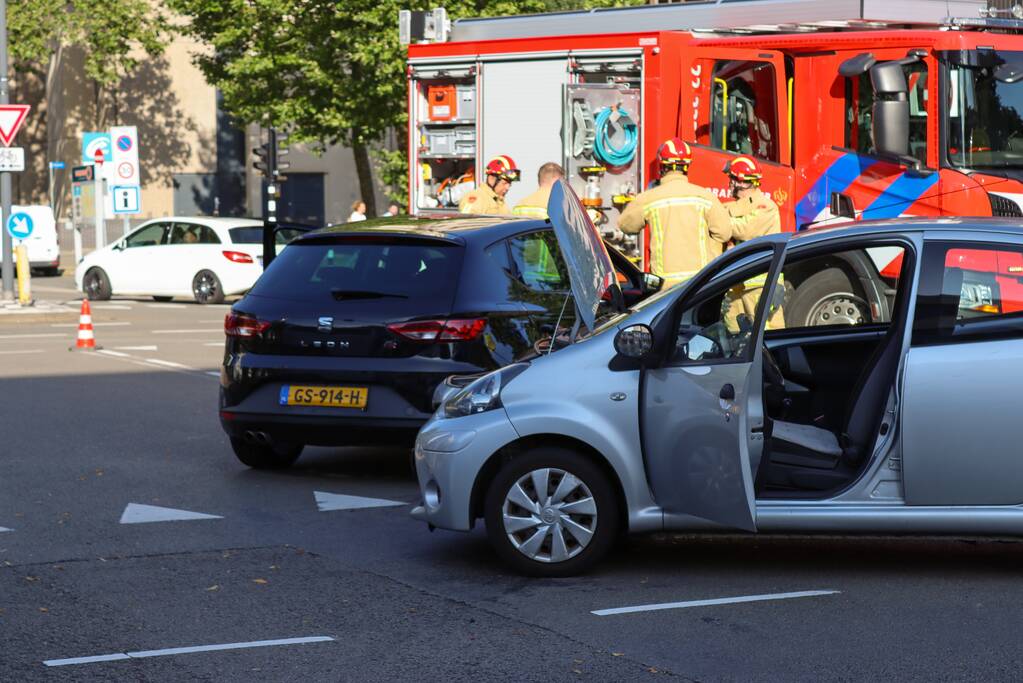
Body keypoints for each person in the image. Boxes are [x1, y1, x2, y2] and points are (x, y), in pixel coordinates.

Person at [618, 138, 731, 287]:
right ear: (687, 166)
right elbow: (724, 233)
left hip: (665, 286)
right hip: (700, 283)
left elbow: (625, 225)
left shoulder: (649, 198)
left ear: (662, 166)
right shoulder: (705, 197)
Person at [720, 156, 784, 332]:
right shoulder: (733, 207)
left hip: (761, 287)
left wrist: (720, 222)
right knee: (734, 336)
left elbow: (745, 229)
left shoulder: (765, 206)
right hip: (736, 286)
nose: (730, 183)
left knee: (766, 336)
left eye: (732, 178)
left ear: (741, 182)